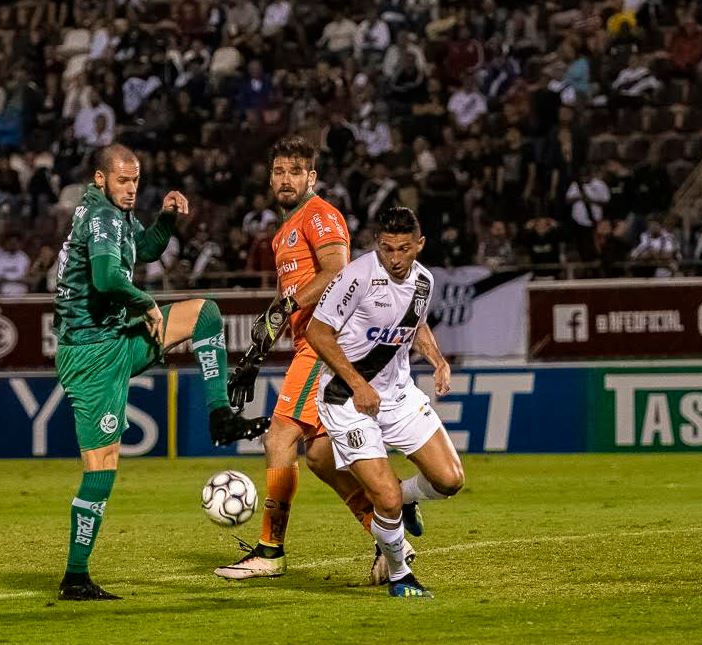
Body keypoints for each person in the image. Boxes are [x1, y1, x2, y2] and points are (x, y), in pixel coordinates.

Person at [54, 144, 269, 601]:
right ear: (100, 179)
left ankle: (219, 413)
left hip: (117, 338)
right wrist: (146, 302)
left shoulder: (114, 214)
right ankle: (75, 575)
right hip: (90, 355)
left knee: (205, 315)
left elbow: (145, 249)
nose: (132, 190)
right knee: (103, 467)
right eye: (123, 181)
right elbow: (108, 277)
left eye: (136, 181)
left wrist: (167, 219)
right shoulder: (100, 218)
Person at [217, 136, 398, 581]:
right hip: (309, 344)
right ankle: (390, 538)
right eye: (279, 171)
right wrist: (256, 355)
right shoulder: (283, 232)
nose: (285, 179)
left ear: (311, 178)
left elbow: (337, 271)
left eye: (295, 171)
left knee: (279, 438)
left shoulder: (320, 215)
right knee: (320, 457)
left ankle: (270, 551)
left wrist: (285, 306)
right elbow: (287, 302)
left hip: (326, 343)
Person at [304, 207, 466, 598]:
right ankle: (399, 574)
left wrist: (438, 361)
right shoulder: (357, 277)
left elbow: (416, 323)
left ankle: (406, 500)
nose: (395, 258)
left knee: (449, 480)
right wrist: (359, 385)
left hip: (398, 394)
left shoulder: (424, 281)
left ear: (419, 245)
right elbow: (317, 332)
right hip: (347, 398)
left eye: (404, 249)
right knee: (386, 498)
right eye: (387, 248)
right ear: (378, 244)